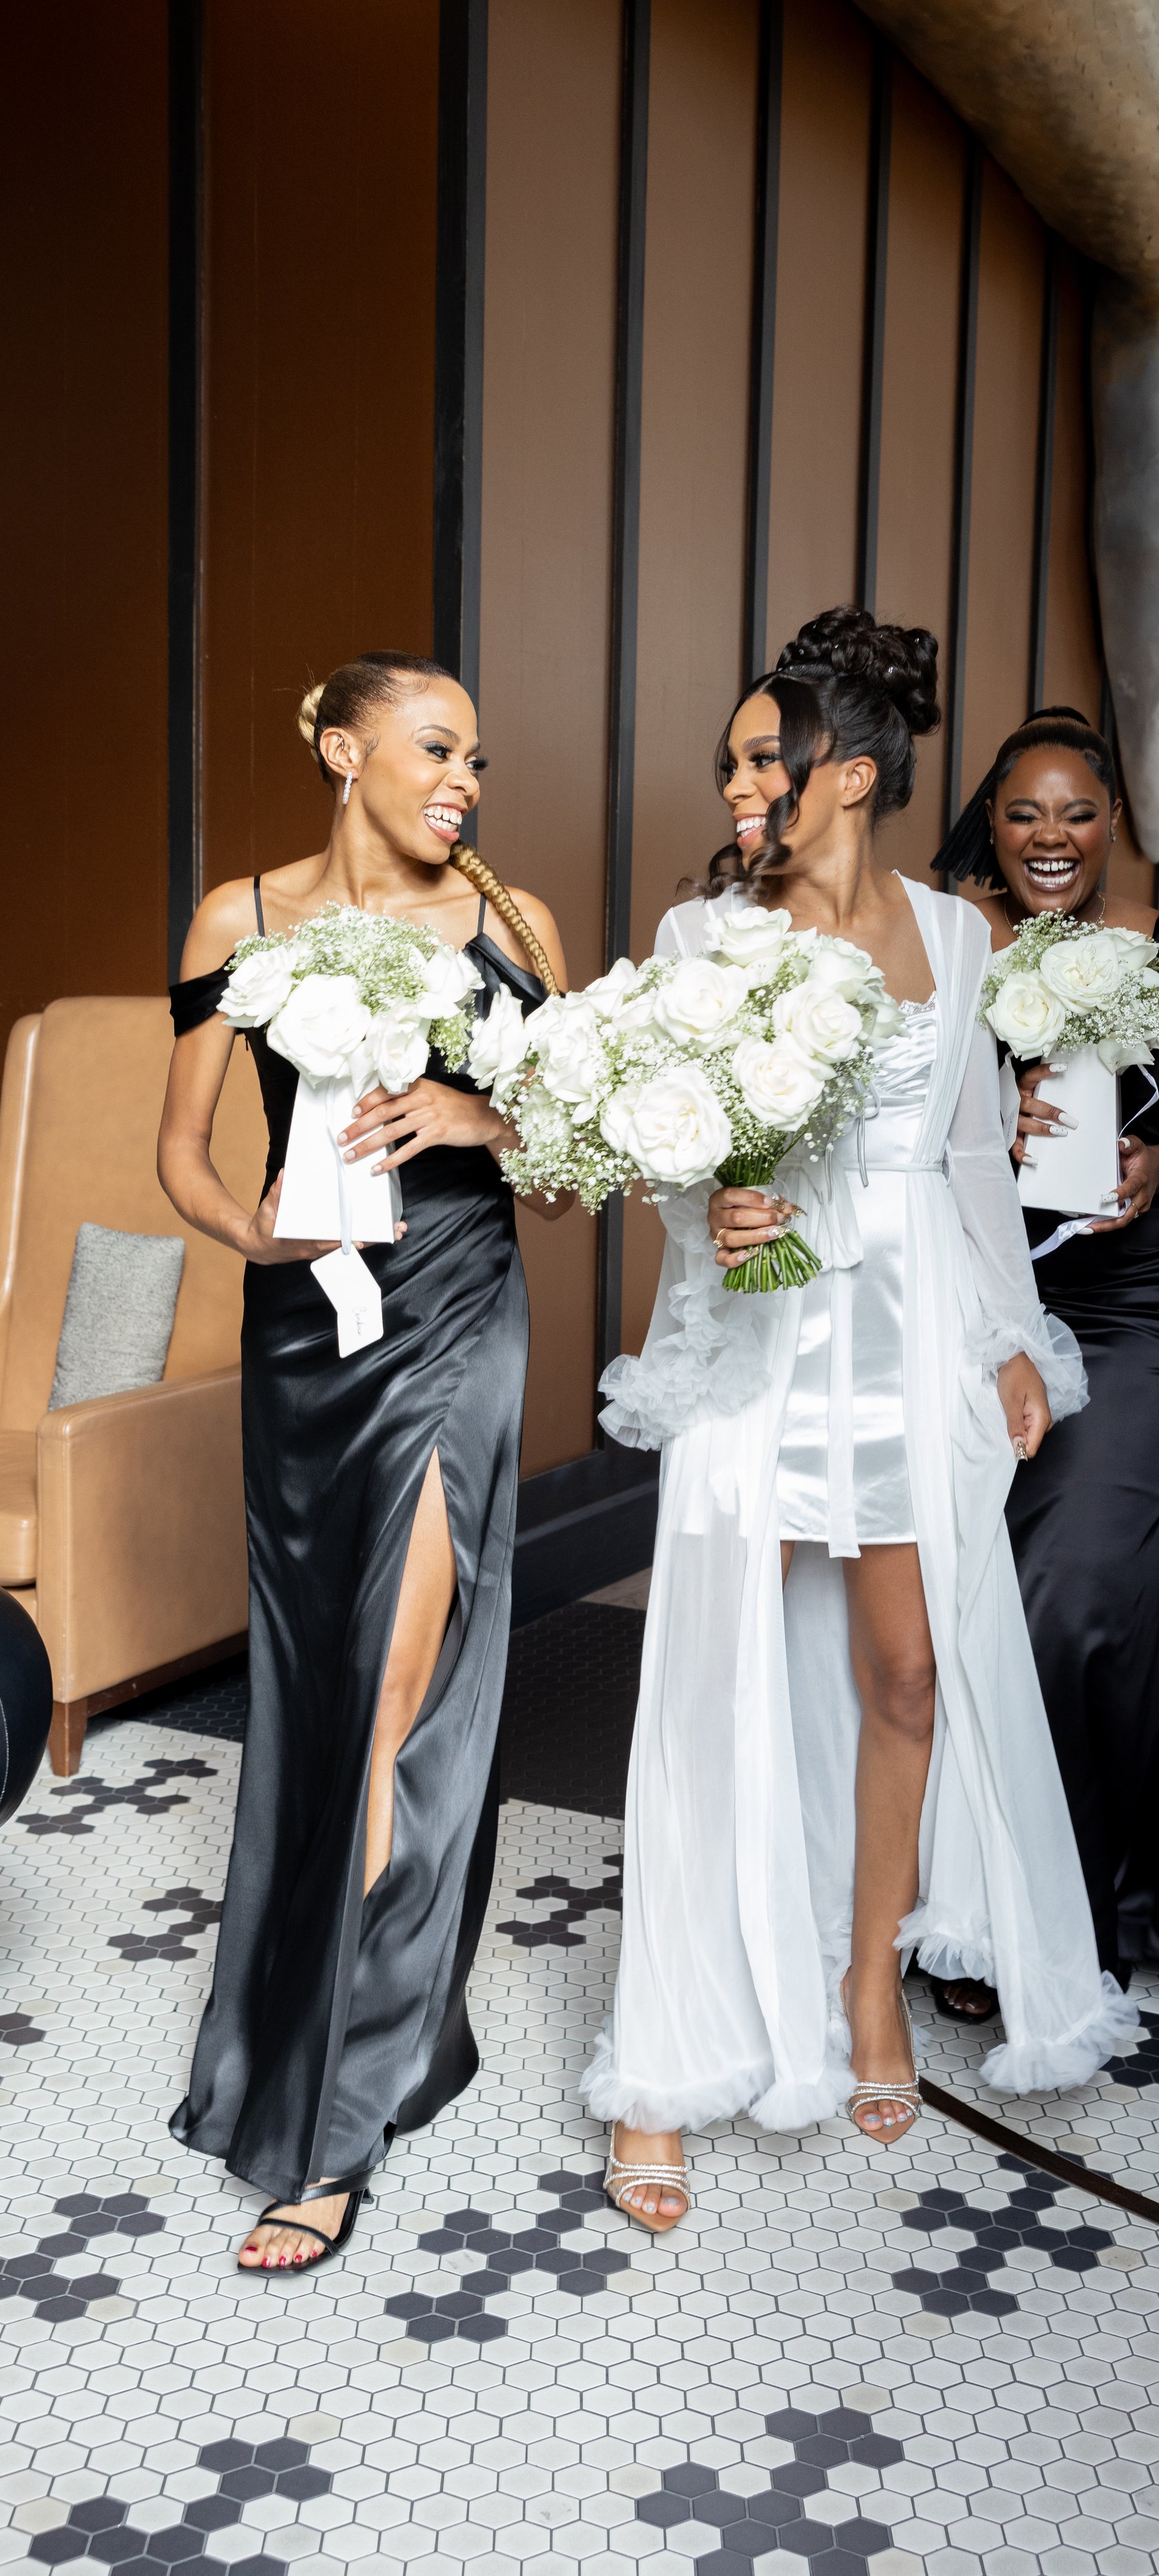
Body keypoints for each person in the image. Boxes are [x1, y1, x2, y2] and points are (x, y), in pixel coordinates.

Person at [587, 612, 1135, 2232]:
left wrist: (1019, 1337)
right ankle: (672, 2054)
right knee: (712, 1690)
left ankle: (866, 1979)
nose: (742, 780)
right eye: (736, 761)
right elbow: (668, 1151)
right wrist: (713, 1198)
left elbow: (969, 1155)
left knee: (906, 1671)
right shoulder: (705, 938)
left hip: (907, 1350)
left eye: (766, 756)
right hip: (762, 1350)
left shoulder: (958, 939)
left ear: (848, 773)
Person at [159, 653, 569, 2270]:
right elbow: (183, 1152)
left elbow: (582, 1149)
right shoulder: (237, 920)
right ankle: (373, 2024)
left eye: (477, 751)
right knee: (324, 1686)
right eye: (434, 744)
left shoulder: (513, 923)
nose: (463, 776)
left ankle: (328, 2128)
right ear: (340, 746)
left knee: (400, 1684)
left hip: (461, 1313)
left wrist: (478, 1119)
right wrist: (261, 1233)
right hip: (304, 1334)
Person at [927, 710, 1159, 2023]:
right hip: (984, 1295)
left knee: (1071, 1592)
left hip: (1126, 1304)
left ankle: (1059, 1909)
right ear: (991, 826)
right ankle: (1101, 1881)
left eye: (1076, 813)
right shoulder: (951, 938)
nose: (1051, 837)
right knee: (1011, 1596)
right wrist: (984, 1130)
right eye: (1023, 814)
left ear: (1116, 821)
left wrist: (1152, 1168)